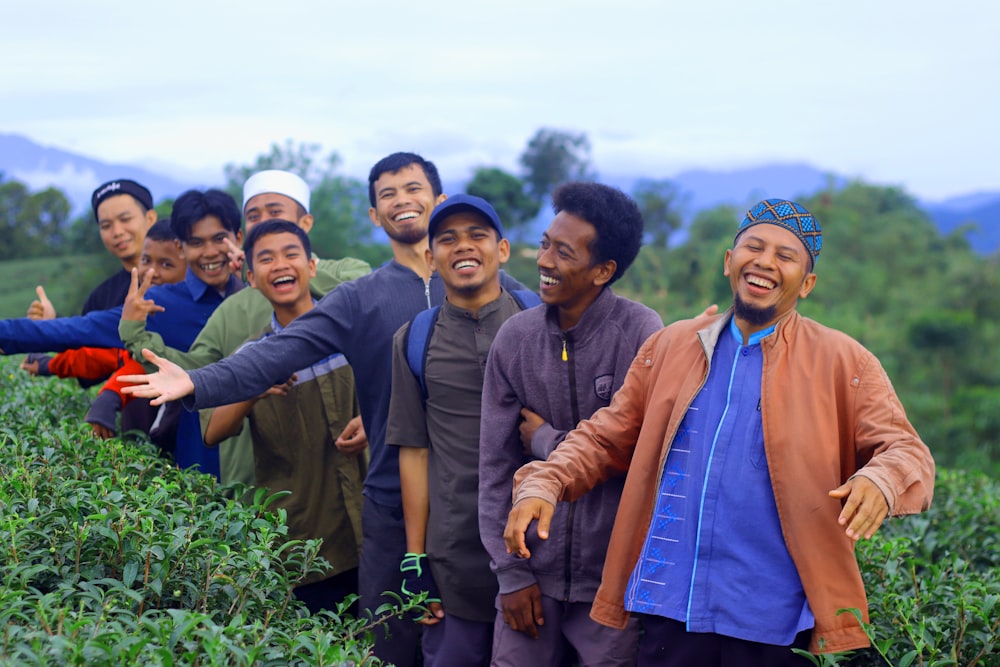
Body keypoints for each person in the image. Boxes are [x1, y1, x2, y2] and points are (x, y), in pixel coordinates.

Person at [119, 153, 526, 667]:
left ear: (438, 200)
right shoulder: (362, 298)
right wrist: (196, 383)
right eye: (387, 194)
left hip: (485, 501)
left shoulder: (512, 299)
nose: (402, 200)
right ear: (374, 216)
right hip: (392, 500)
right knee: (392, 646)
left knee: (496, 643)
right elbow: (278, 352)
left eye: (413, 188)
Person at [503, 199, 936, 665]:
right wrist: (545, 481)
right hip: (671, 608)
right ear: (730, 262)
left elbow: (906, 450)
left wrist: (880, 480)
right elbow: (606, 436)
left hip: (775, 620)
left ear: (806, 284)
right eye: (754, 246)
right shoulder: (671, 346)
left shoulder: (843, 362)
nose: (765, 262)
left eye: (786, 257)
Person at [479, 182, 663, 666]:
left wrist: (545, 439)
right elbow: (494, 466)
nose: (544, 261)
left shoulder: (642, 335)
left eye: (564, 252)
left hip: (611, 586)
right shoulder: (515, 338)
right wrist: (511, 576)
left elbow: (639, 453)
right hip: (530, 580)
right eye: (544, 244)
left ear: (603, 271)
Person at [117, 169, 371, 487]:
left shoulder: (343, 284)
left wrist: (278, 264)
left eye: (274, 212)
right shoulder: (231, 312)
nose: (263, 221)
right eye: (254, 215)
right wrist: (135, 332)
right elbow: (196, 373)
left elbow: (367, 284)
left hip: (355, 465)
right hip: (268, 476)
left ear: (305, 224)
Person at [0, 189, 245, 479]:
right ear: (181, 247)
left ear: (238, 238)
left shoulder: (262, 296)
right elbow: (77, 330)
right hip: (204, 464)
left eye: (219, 238)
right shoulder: (160, 304)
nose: (210, 251)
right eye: (196, 242)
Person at [387, 194, 532, 666]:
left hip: (536, 551)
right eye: (447, 239)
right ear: (430, 258)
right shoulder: (414, 339)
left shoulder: (540, 327)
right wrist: (416, 560)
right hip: (453, 559)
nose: (462, 247)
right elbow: (414, 451)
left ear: (502, 249)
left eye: (477, 236)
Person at [201, 220, 365, 614]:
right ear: (251, 278)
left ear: (311, 265)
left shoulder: (355, 331)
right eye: (266, 258)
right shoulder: (252, 355)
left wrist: (372, 424)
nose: (280, 265)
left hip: (373, 522)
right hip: (306, 539)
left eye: (290, 254)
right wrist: (257, 387)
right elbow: (213, 432)